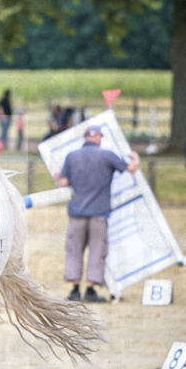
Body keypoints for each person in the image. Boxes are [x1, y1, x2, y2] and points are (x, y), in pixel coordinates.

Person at [55, 124, 139, 303]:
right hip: (98, 215)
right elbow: (130, 168)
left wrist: (59, 177)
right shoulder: (107, 155)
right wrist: (136, 159)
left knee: (74, 250)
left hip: (76, 213)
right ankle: (91, 290)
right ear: (99, 137)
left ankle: (75, 290)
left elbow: (63, 182)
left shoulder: (72, 156)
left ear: (85, 138)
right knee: (97, 250)